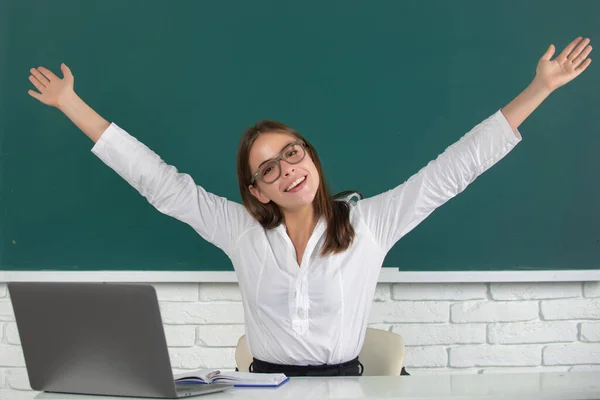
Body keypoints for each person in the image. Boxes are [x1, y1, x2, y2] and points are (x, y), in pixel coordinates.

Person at [27, 37, 591, 376]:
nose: (286, 170)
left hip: (349, 385)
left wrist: (540, 87)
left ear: (312, 159)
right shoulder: (238, 230)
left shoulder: (371, 223)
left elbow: (456, 168)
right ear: (258, 191)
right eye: (267, 168)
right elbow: (159, 182)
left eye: (292, 153)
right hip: (262, 385)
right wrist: (70, 103)